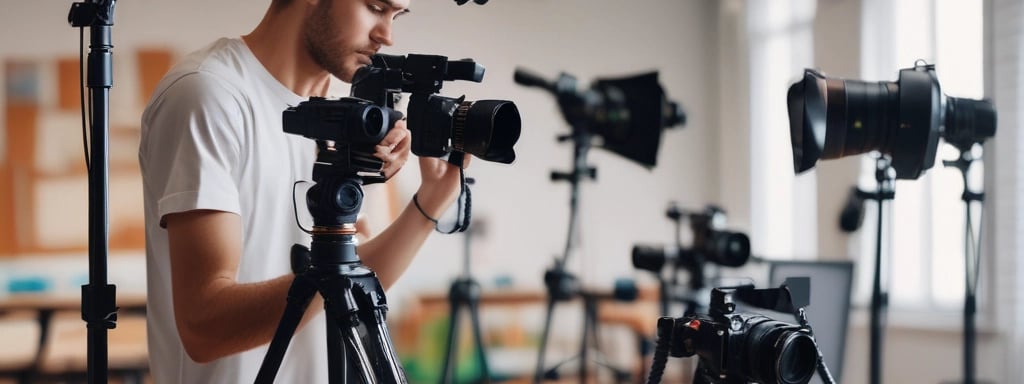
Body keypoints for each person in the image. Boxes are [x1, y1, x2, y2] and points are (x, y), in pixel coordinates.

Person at [138, 0, 463, 382]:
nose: (386, 36)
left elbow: (349, 284)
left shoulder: (343, 118)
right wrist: (332, 275)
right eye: (375, 7)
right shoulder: (209, 96)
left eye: (397, 15)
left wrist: (433, 199)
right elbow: (205, 328)